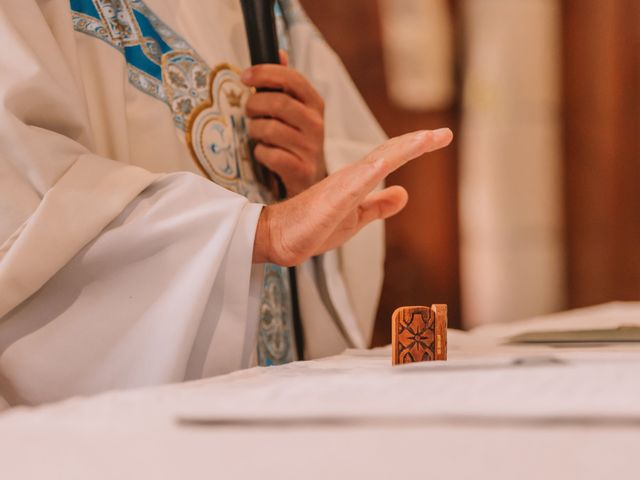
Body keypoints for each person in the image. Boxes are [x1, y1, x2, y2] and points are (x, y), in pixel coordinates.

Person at [0, 0, 452, 407]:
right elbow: (23, 196)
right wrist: (262, 232)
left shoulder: (265, 9)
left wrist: (314, 172)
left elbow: (345, 162)